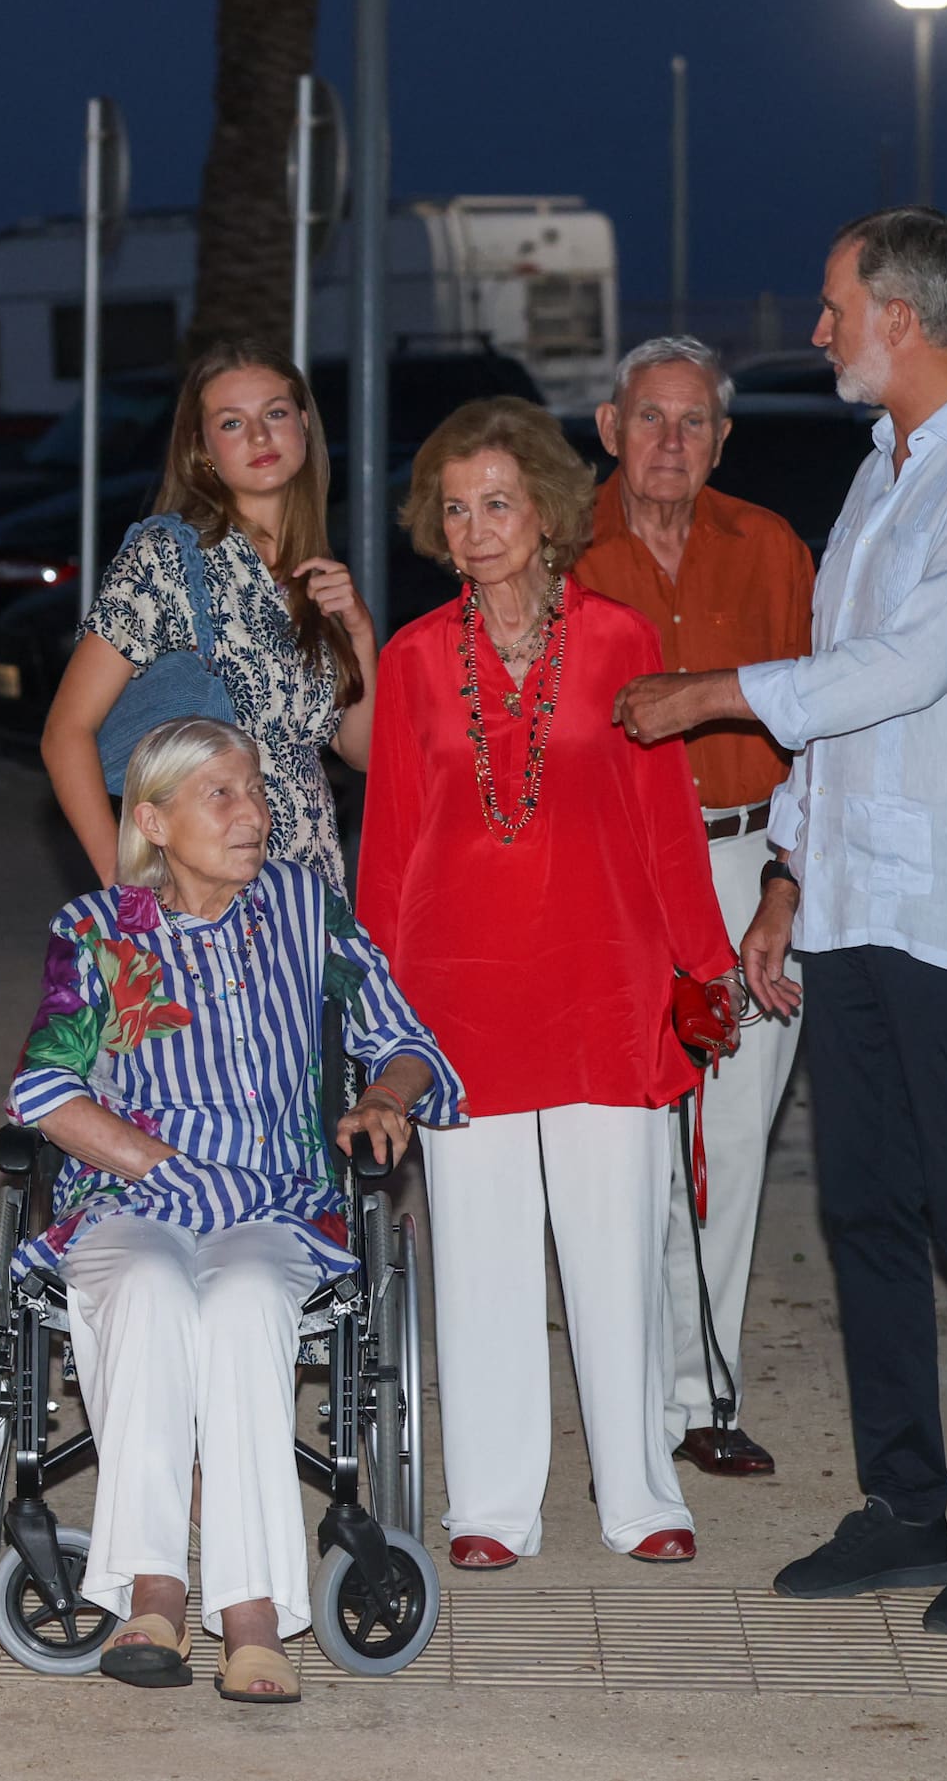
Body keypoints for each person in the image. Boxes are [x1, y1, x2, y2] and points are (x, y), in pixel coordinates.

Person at [614, 207, 947, 1637]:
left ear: (904, 316)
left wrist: (712, 693)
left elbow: (908, 667)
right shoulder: (881, 475)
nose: (817, 332)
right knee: (864, 1207)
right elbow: (842, 706)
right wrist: (789, 882)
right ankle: (899, 1507)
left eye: (831, 307)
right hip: (856, 904)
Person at [356, 396, 740, 1571]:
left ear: (547, 512)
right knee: (477, 1254)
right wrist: (375, 1013)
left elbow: (665, 819)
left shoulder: (620, 640)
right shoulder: (417, 659)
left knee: (616, 1246)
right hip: (458, 995)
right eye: (457, 509)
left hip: (603, 983)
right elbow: (389, 844)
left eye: (498, 504)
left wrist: (708, 965)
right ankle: (491, 1504)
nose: (476, 528)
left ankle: (639, 1494)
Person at [7, 716, 461, 1700]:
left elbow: (406, 1036)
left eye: (256, 791)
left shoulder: (307, 908)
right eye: (223, 794)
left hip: (276, 1203)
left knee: (249, 1297)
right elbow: (45, 1090)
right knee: (153, 1286)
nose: (255, 813)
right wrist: (162, 1163)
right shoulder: (98, 930)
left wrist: (386, 1095)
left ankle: (253, 1607)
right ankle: (156, 1587)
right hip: (132, 1196)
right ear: (156, 821)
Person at [578, 335, 814, 1479]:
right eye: (650, 417)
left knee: (730, 1138)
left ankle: (701, 1392)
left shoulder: (770, 547)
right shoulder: (562, 549)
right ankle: (627, 1391)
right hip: (616, 878)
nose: (671, 442)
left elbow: (829, 722)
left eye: (694, 422)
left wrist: (789, 880)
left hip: (749, 865)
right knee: (628, 1146)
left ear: (723, 438)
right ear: (609, 427)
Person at [41, 337, 376, 894]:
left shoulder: (314, 569)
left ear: (304, 424)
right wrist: (122, 882)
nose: (260, 436)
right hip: (203, 893)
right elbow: (65, 733)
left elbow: (358, 753)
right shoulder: (169, 557)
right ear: (202, 450)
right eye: (231, 423)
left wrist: (360, 634)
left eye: (274, 413)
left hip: (308, 891)